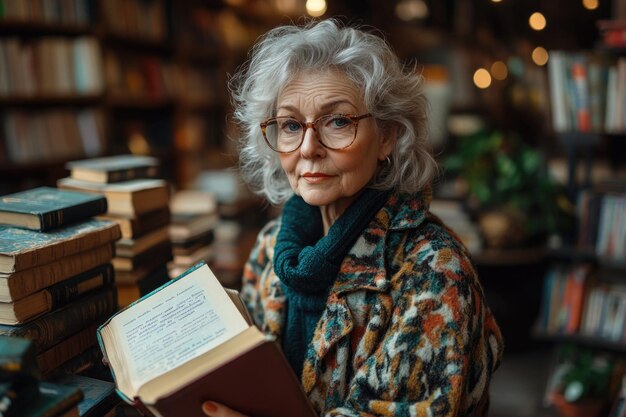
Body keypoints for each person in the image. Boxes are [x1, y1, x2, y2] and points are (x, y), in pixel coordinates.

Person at [201, 19, 503, 417]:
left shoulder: (436, 271)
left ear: (387, 136)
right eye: (291, 125)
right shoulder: (269, 248)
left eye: (338, 121)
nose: (309, 148)